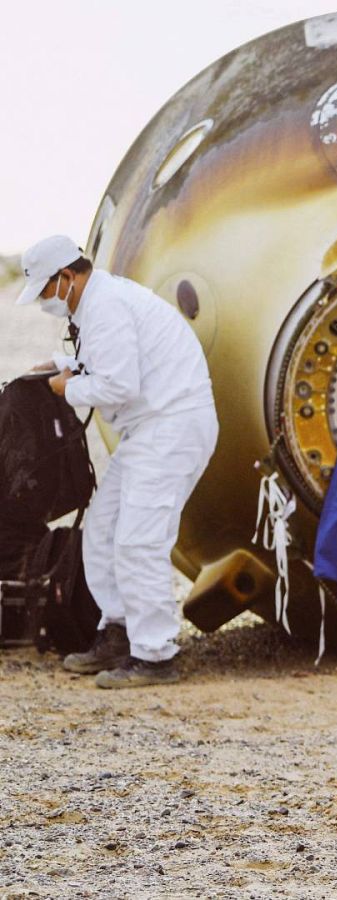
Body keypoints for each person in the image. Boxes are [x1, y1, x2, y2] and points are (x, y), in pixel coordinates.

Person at [14, 235, 217, 688]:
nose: (47, 301)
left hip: (171, 425)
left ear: (66, 277)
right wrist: (60, 361)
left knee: (139, 539)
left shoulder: (105, 307)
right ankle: (119, 631)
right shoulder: (100, 302)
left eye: (46, 291)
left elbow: (118, 386)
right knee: (105, 527)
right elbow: (107, 361)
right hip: (152, 427)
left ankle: (155, 654)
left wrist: (67, 389)